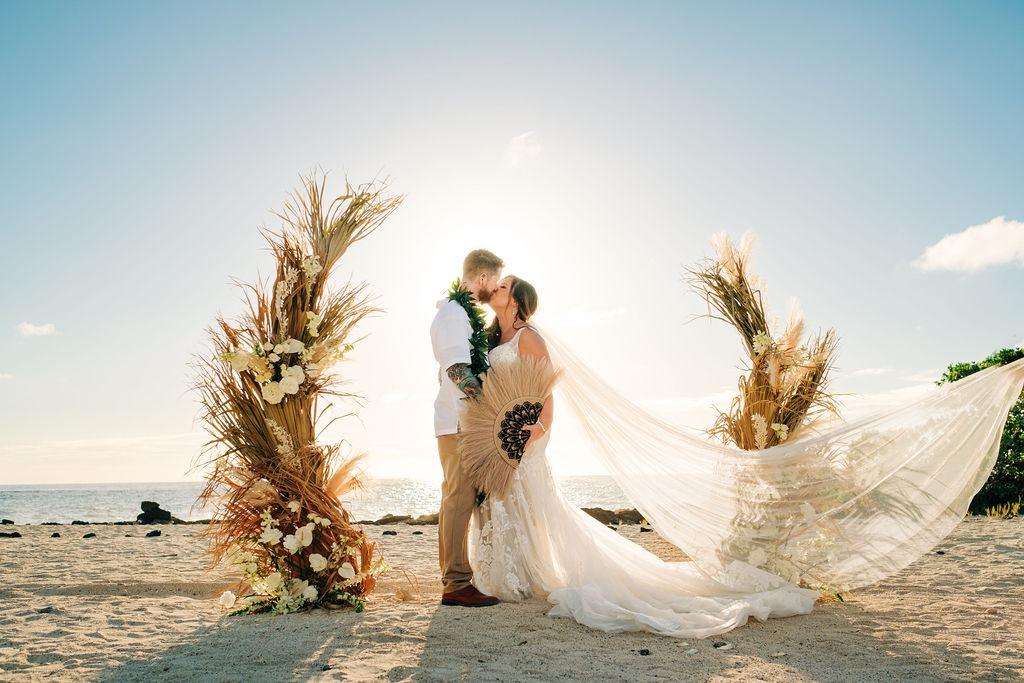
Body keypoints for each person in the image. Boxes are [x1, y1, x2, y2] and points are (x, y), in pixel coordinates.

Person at [468, 275, 820, 638]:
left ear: (517, 299)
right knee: (508, 497)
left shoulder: (528, 336)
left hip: (529, 430)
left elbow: (545, 388)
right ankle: (514, 573)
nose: (496, 288)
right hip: (501, 430)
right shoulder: (493, 338)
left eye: (504, 286)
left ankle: (524, 576)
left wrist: (540, 427)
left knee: (527, 494)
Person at [428, 249, 504, 607]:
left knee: (459, 496)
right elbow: (457, 369)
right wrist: (490, 404)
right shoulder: (453, 315)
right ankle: (456, 583)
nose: (496, 288)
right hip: (458, 420)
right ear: (483, 278)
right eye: (495, 281)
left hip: (462, 420)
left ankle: (455, 579)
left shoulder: (461, 315)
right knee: (458, 497)